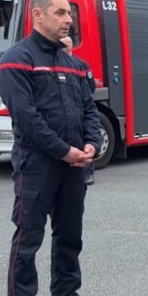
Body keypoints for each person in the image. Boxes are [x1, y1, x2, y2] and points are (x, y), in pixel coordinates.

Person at [0, 0, 103, 296]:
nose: (68, 19)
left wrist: (91, 143)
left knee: (70, 234)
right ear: (37, 15)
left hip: (73, 165)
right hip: (37, 166)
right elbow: (26, 118)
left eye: (69, 13)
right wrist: (64, 150)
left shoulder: (75, 65)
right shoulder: (16, 60)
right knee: (28, 239)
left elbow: (89, 109)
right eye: (60, 12)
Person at [60, 36, 97, 186]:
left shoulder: (80, 64)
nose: (65, 49)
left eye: (67, 46)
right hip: (67, 108)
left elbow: (90, 85)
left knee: (84, 141)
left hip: (79, 107)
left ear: (71, 47)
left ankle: (87, 173)